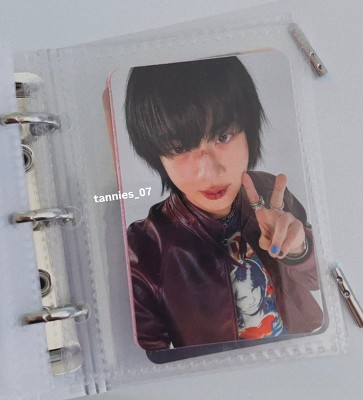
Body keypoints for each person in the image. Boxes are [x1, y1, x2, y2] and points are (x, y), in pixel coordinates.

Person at [124, 56, 323, 351]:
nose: (209, 172)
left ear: (248, 130)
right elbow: (149, 361)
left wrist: (298, 250)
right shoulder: (145, 247)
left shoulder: (270, 192)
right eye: (179, 148)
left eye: (223, 136)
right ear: (157, 156)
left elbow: (321, 281)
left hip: (305, 355)